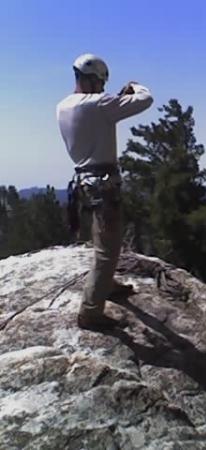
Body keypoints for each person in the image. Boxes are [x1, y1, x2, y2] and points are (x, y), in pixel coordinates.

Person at [56, 53, 153, 331]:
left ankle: (106, 284)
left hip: (84, 182)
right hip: (104, 182)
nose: (101, 88)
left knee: (102, 240)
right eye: (100, 82)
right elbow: (146, 100)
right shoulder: (100, 103)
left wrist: (112, 98)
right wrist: (136, 87)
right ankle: (90, 312)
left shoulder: (63, 105)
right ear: (91, 79)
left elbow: (97, 115)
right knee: (108, 249)